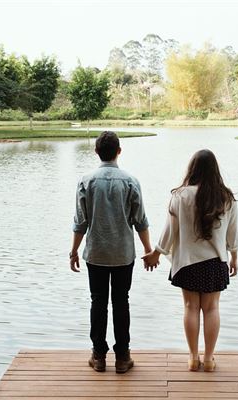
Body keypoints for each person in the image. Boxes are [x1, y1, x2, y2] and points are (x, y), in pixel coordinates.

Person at [143, 149, 238, 372]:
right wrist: (234, 257)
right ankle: (209, 359)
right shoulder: (226, 197)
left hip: (187, 263)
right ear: (216, 170)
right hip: (216, 262)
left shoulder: (180, 195)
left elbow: (169, 231)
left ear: (192, 169)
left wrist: (157, 253)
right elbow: (233, 233)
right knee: (212, 308)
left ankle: (193, 358)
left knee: (190, 308)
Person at [70, 131, 153, 374]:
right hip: (123, 254)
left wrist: (74, 250)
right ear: (119, 151)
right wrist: (148, 250)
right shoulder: (130, 181)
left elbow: (80, 222)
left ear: (96, 152)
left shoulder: (86, 181)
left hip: (95, 253)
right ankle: (122, 356)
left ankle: (98, 356)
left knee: (98, 301)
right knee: (121, 301)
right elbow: (141, 221)